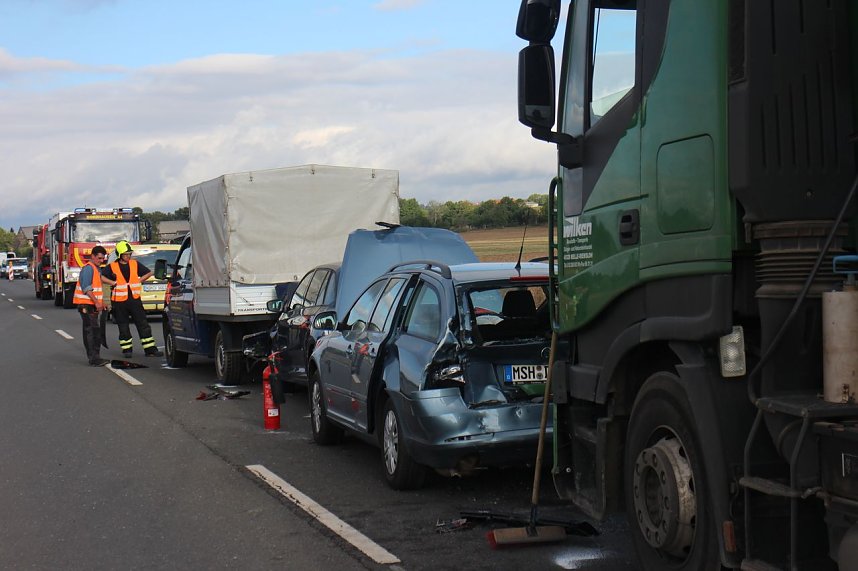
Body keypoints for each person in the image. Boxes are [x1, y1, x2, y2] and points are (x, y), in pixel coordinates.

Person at [101, 240, 164, 358]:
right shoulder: (112, 266)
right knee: (123, 326)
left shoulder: (134, 264)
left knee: (143, 324)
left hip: (134, 300)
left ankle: (150, 349)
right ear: (119, 255)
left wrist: (139, 280)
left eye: (129, 254)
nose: (128, 256)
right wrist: (112, 282)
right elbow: (102, 277)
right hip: (119, 302)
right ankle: (127, 350)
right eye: (126, 254)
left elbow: (148, 273)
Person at [73, 245, 109, 366]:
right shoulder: (88, 269)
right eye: (99, 258)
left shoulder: (96, 269)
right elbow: (87, 288)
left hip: (91, 304)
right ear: (92, 256)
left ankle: (96, 357)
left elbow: (96, 288)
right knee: (91, 331)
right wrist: (97, 302)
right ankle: (94, 359)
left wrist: (101, 302)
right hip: (86, 305)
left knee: (94, 330)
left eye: (103, 258)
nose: (101, 260)